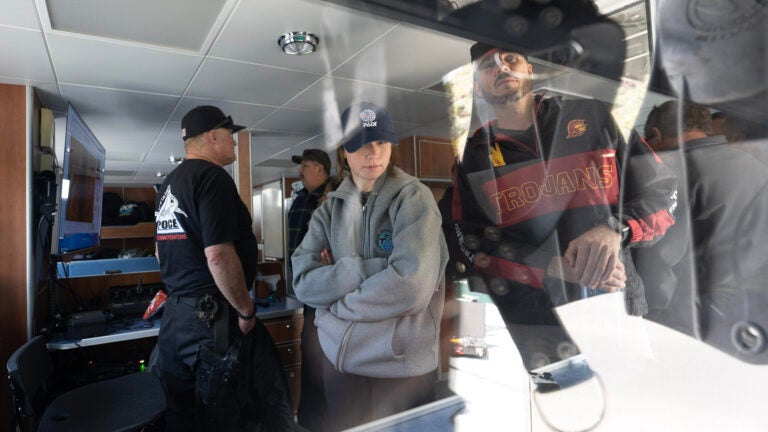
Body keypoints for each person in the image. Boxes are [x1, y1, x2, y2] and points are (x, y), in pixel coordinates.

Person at [442, 42, 678, 377]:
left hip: (615, 308)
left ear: (530, 70)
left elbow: (663, 195)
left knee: (636, 412)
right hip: (537, 324)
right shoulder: (473, 156)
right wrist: (552, 266)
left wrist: (616, 230)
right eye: (488, 66)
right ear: (478, 86)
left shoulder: (595, 118)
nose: (503, 68)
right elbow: (474, 244)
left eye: (511, 58)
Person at [292, 101, 449, 431]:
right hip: (341, 366)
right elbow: (304, 282)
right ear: (344, 152)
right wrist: (371, 268)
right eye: (360, 144)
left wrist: (336, 303)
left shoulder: (413, 199)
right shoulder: (327, 212)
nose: (372, 153)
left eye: (380, 142)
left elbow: (411, 286)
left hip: (401, 369)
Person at [154, 105, 293, 431]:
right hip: (212, 319)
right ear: (213, 135)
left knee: (186, 416)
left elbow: (160, 252)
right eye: (231, 135)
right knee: (224, 415)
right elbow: (217, 254)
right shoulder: (212, 178)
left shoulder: (169, 185)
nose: (234, 143)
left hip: (176, 318)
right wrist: (245, 310)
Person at [638, 100, 768, 362]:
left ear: (657, 136)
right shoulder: (759, 168)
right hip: (752, 318)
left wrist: (648, 318)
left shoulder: (674, 172)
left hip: (692, 320)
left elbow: (660, 257)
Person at [287, 148, 332, 432]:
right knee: (311, 354)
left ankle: (327, 421)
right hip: (307, 289)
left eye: (304, 166)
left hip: (327, 290)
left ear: (320, 168)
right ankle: (311, 420)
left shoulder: (333, 197)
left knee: (325, 358)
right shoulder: (302, 198)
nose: (300, 171)